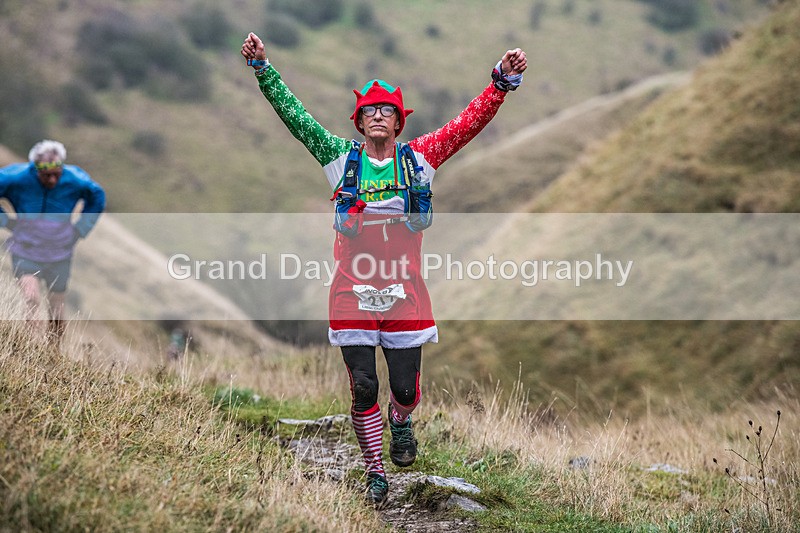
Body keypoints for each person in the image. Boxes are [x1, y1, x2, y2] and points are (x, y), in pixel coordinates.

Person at [241, 32, 526, 505]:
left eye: (386, 110)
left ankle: (401, 419)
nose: (377, 115)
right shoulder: (339, 160)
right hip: (350, 291)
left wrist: (500, 82)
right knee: (364, 385)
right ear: (358, 121)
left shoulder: (420, 160)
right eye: (369, 111)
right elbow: (297, 118)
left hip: (405, 292)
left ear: (398, 121)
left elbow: (464, 126)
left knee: (405, 387)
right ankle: (375, 471)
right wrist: (263, 70)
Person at [0, 140, 106, 344]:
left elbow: (98, 196)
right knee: (31, 298)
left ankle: (53, 351)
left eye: (56, 173)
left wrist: (80, 229)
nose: (51, 179)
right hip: (26, 250)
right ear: (35, 168)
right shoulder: (17, 177)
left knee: (57, 310)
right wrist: (7, 222)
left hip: (60, 254)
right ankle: (30, 348)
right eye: (45, 175)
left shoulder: (75, 179)